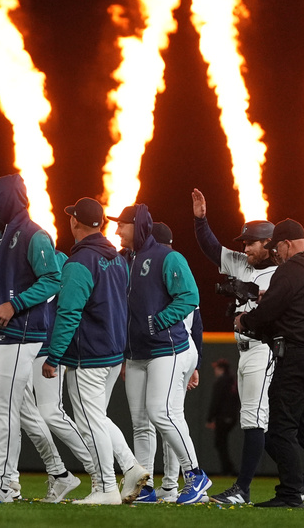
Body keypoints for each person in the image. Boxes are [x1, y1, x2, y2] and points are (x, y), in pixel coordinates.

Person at [42, 198, 148, 505]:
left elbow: (69, 313)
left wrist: (54, 356)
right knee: (97, 418)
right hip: (113, 353)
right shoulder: (116, 258)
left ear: (75, 222)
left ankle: (105, 488)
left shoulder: (79, 262)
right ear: (100, 224)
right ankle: (129, 467)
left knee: (90, 422)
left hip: (88, 355)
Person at [0, 174, 63, 503]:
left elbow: (53, 279)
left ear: (8, 197)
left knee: (3, 409)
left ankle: (6, 482)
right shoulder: (3, 233)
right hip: (8, 333)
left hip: (24, 331)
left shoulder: (33, 233)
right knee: (19, 410)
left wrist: (15, 304)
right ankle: (59, 472)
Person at [110, 203, 212, 505]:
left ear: (137, 225)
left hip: (167, 348)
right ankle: (146, 488)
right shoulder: (124, 259)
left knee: (161, 412)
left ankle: (195, 475)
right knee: (141, 422)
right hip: (137, 352)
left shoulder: (167, 256)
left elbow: (190, 297)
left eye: (122, 224)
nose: (117, 230)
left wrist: (159, 321)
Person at [235, 219, 304, 509]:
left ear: (287, 243)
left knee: (281, 427)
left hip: (297, 357)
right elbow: (303, 309)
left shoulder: (289, 270)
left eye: (277, 247)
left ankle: (290, 492)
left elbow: (268, 314)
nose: (275, 254)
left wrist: (244, 320)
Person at [191, 188, 279, 504]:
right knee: (255, 419)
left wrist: (253, 293)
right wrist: (201, 220)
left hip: (264, 348)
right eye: (244, 242)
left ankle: (242, 489)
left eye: (250, 242)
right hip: (244, 350)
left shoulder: (282, 272)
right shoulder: (242, 262)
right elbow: (213, 249)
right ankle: (301, 481)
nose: (245, 247)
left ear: (268, 243)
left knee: (254, 419)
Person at [206, 358, 240, 476]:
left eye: (216, 368)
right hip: (232, 416)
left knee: (220, 442)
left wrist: (210, 418)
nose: (215, 371)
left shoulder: (222, 381)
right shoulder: (233, 381)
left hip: (223, 417)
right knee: (221, 442)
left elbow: (216, 401)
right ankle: (228, 469)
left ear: (221, 369)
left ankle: (228, 469)